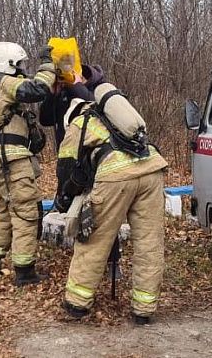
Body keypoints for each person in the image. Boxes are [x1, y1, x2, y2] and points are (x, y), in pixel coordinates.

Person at [55, 96, 168, 324]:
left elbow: (66, 169)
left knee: (94, 239)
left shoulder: (79, 124)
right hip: (152, 169)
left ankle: (77, 303)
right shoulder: (113, 118)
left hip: (116, 176)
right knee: (149, 242)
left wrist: (64, 198)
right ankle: (143, 309)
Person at [0, 42, 56, 286]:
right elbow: (37, 89)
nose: (22, 68)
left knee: (5, 212)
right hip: (10, 161)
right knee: (26, 214)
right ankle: (25, 272)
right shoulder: (5, 83)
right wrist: (48, 65)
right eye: (19, 64)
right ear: (7, 64)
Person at [39, 64, 105, 147]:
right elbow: (45, 120)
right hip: (67, 151)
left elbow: (93, 105)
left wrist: (76, 85)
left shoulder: (99, 88)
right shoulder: (64, 93)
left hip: (91, 149)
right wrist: (52, 94)